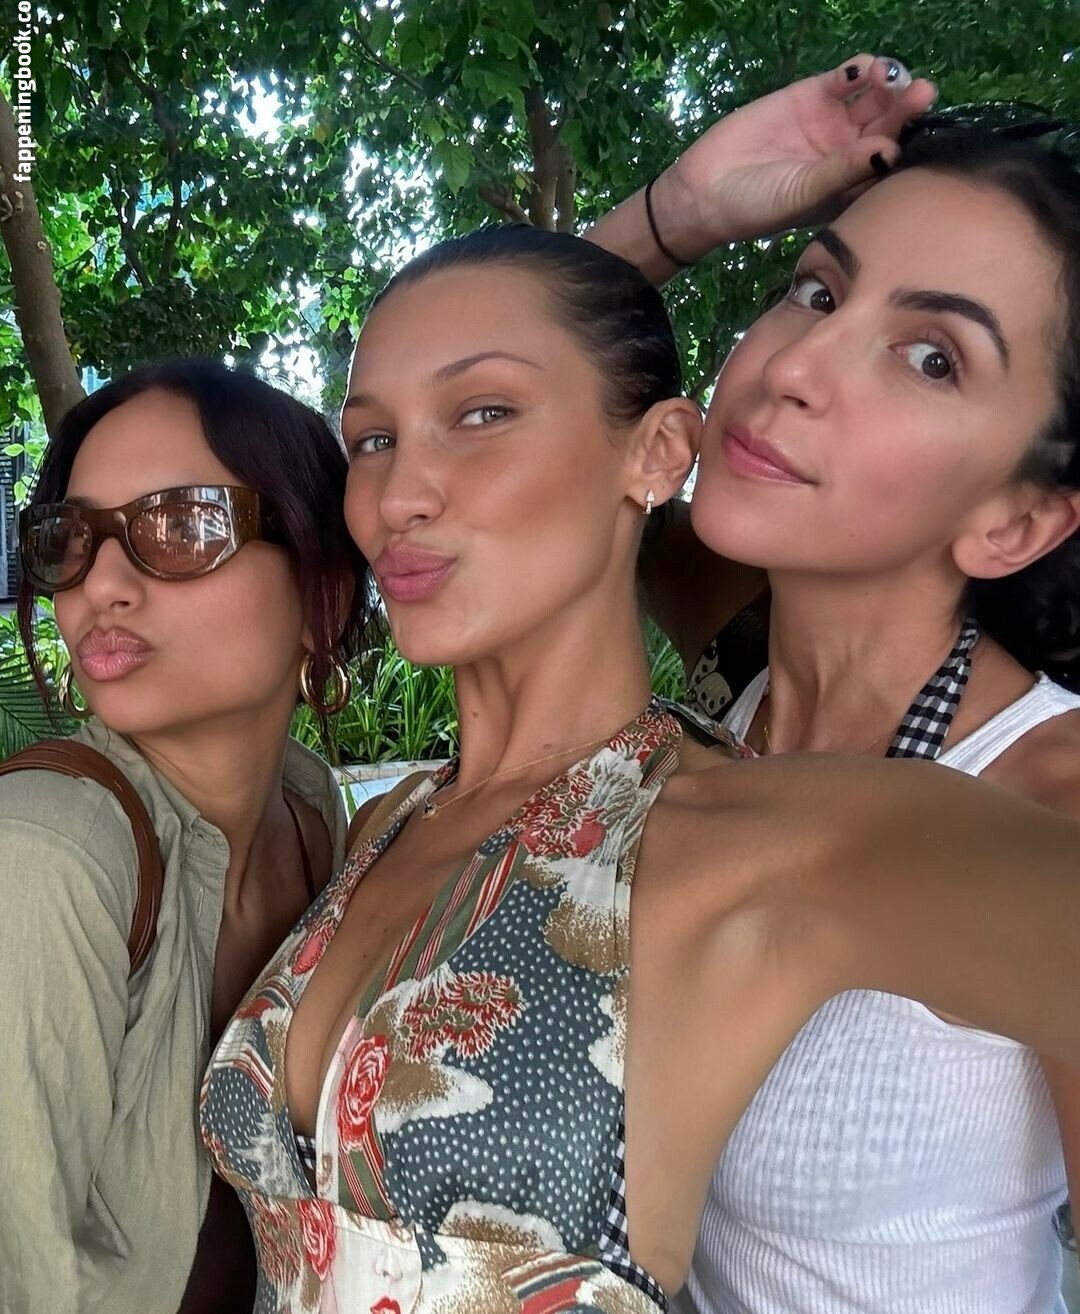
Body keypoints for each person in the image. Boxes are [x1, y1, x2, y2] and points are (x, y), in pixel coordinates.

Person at [200, 213, 1080, 1314]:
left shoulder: (759, 837)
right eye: (372, 438)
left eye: (482, 414)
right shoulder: (391, 822)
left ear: (663, 451)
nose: (398, 494)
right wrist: (683, 206)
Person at [589, 104, 1080, 1312]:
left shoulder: (1048, 805)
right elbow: (504, 403)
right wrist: (677, 214)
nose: (792, 368)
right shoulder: (733, 661)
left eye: (932, 357)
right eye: (816, 291)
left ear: (1015, 520)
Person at [0, 359, 371, 1314]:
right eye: (71, 540)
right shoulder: (47, 858)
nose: (101, 585)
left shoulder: (311, 812)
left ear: (323, 596)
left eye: (182, 526)